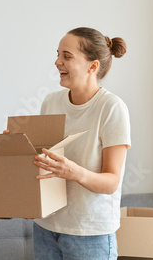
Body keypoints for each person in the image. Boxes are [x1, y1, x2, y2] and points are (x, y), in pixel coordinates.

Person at [32, 27, 131, 260]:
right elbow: (42, 163)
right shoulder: (50, 102)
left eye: (67, 56)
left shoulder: (111, 108)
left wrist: (74, 172)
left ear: (92, 66)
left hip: (90, 234)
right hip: (46, 228)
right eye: (57, 54)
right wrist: (15, 147)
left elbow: (111, 182)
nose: (57, 62)